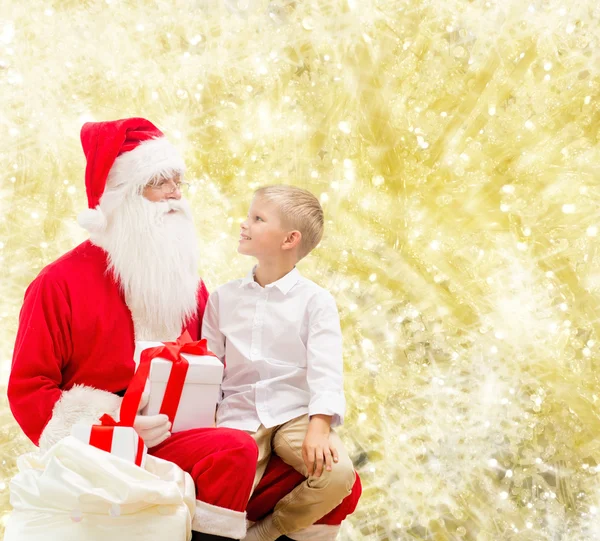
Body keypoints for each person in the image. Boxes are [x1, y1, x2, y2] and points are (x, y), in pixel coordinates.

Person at [6, 119, 360, 541]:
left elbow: (217, 367)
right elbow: (29, 389)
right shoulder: (59, 283)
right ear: (123, 197)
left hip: (190, 434)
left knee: (337, 480)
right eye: (160, 182)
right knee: (234, 451)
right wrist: (113, 424)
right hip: (112, 441)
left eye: (178, 182)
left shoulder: (189, 287)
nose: (176, 194)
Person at [201, 185, 356, 541]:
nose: (244, 224)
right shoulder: (223, 298)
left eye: (257, 219)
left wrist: (319, 426)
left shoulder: (316, 301)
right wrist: (207, 418)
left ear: (290, 239)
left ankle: (265, 534)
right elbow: (209, 364)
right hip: (238, 413)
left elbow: (326, 369)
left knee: (337, 474)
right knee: (218, 492)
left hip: (294, 412)